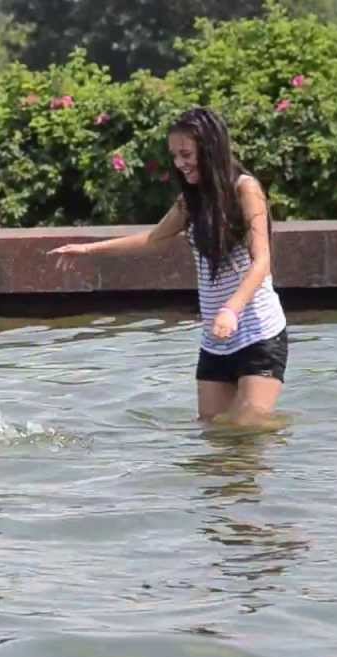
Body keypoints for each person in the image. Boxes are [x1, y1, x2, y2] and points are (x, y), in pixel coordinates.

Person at [49, 108, 288, 425]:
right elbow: (152, 238)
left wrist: (232, 308)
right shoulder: (191, 200)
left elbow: (262, 263)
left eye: (186, 154)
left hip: (258, 333)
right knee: (212, 433)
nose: (179, 163)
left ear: (210, 147)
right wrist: (89, 249)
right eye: (175, 155)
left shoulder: (245, 189)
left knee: (249, 429)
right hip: (216, 340)